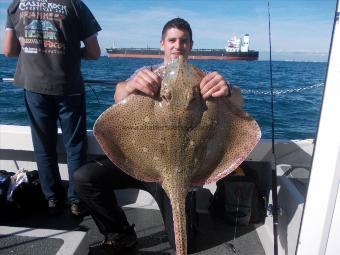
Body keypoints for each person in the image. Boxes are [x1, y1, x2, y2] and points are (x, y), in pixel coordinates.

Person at [73, 17, 233, 254]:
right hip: (138, 161)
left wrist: (228, 90)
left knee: (185, 243)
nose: (177, 45)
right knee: (84, 177)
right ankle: (119, 234)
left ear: (191, 45)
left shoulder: (204, 80)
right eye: (172, 40)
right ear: (162, 44)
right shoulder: (146, 73)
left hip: (182, 171)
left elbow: (237, 103)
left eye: (183, 41)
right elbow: (119, 94)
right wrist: (129, 87)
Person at [3, 0, 101, 216]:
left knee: (43, 147)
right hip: (69, 86)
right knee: (74, 146)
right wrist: (74, 52)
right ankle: (76, 200)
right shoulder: (75, 5)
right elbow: (94, 52)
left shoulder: (16, 5)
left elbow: (9, 50)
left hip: (34, 86)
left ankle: (53, 199)